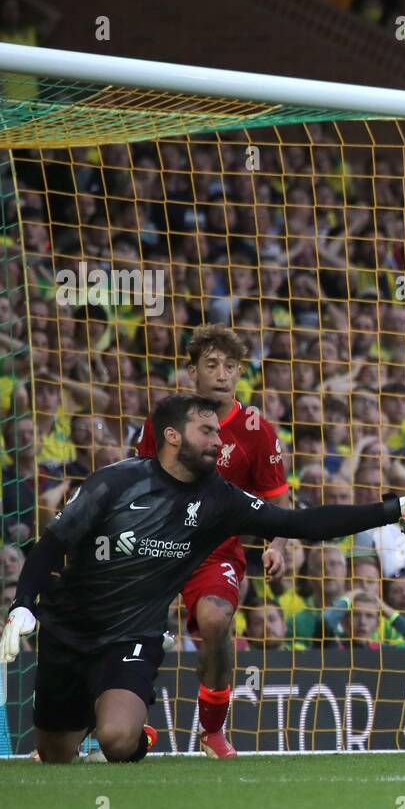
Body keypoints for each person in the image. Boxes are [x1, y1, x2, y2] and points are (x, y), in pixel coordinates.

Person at [0, 393, 405, 764]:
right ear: (172, 436)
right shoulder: (114, 484)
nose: (218, 441)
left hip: (131, 637)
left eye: (219, 432)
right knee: (56, 758)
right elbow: (52, 544)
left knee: (117, 741)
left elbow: (302, 523)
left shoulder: (220, 499)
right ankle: (82, 718)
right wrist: (23, 605)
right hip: (68, 630)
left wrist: (397, 508)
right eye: (206, 431)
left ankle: (134, 732)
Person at [133, 324, 291, 758]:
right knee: (125, 620)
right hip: (157, 543)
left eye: (231, 366)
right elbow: (138, 482)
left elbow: (277, 497)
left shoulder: (257, 429)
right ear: (192, 373)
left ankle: (213, 730)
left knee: (218, 621)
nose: (222, 374)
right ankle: (87, 725)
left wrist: (276, 544)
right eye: (211, 365)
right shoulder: (166, 418)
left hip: (215, 549)